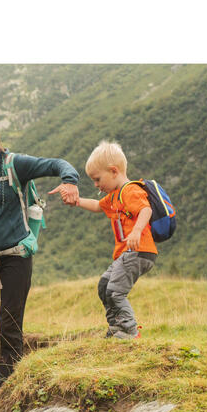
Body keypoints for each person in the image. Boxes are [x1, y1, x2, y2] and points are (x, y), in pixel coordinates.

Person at [0, 112, 80, 412]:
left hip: (15, 257)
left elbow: (59, 164)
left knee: (11, 326)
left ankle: (7, 404)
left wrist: (69, 182)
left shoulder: (16, 164)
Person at [63, 139, 157, 339]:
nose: (96, 185)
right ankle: (116, 327)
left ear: (114, 171)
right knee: (104, 286)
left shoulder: (131, 190)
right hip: (126, 253)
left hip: (138, 250)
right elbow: (98, 206)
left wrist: (136, 232)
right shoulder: (115, 196)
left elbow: (146, 210)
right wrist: (77, 201)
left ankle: (129, 331)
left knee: (115, 291)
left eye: (97, 179)